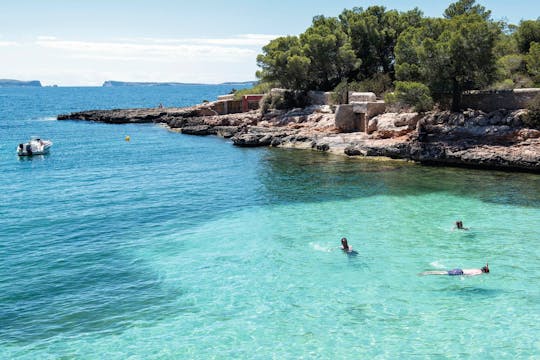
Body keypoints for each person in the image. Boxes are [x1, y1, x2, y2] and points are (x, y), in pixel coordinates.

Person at [419, 263, 489, 276]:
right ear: (485, 272)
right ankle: (427, 273)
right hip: (459, 273)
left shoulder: (478, 269)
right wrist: (464, 277)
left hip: (459, 269)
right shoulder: (480, 273)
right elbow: (472, 275)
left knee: (443, 271)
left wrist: (486, 265)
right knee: (442, 273)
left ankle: (428, 271)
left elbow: (485, 267)